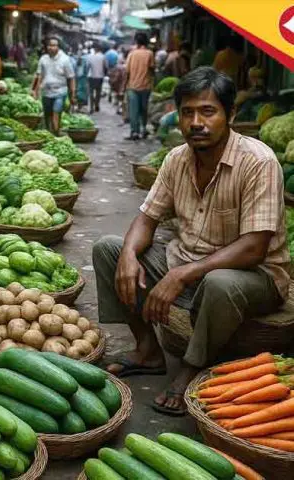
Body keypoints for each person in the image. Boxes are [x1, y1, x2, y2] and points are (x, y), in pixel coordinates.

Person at [93, 67, 289, 416]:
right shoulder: (176, 159)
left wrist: (183, 275)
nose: (196, 122)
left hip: (253, 277)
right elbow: (147, 218)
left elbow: (255, 247)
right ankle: (148, 351)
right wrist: (127, 253)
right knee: (108, 248)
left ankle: (192, 367)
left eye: (207, 111)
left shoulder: (258, 162)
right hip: (186, 261)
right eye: (187, 112)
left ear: (230, 115)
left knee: (217, 281)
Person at [32, 37, 76, 135]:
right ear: (46, 47)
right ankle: (49, 132)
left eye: (54, 45)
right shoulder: (43, 59)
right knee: (47, 114)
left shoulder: (65, 60)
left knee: (56, 112)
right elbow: (39, 75)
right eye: (49, 45)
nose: (51, 48)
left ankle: (56, 132)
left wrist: (72, 94)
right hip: (46, 92)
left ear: (58, 47)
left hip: (60, 91)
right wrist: (34, 90)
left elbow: (71, 78)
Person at [124, 33, 156, 140]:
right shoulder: (149, 54)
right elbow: (152, 69)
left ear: (136, 42)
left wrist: (124, 86)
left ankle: (134, 132)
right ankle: (143, 130)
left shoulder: (131, 54)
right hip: (146, 86)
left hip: (132, 87)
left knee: (134, 111)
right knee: (144, 110)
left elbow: (127, 72)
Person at [88, 47, 107, 113]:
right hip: (100, 77)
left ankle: (91, 107)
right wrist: (104, 74)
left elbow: (87, 67)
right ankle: (96, 105)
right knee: (98, 92)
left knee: (91, 92)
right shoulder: (103, 57)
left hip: (91, 76)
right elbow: (105, 67)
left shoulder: (90, 57)